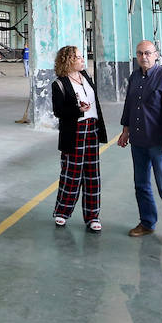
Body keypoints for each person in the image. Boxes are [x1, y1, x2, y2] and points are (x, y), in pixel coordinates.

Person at [116, 40, 162, 244]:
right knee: (141, 184)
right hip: (138, 140)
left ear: (156, 55)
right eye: (139, 53)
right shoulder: (135, 76)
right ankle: (147, 222)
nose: (143, 57)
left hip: (158, 141)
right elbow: (130, 105)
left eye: (147, 53)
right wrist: (126, 131)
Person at [50, 45, 108, 232]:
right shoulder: (59, 84)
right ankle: (62, 212)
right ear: (69, 61)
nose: (83, 60)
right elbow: (58, 111)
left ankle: (93, 216)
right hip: (74, 130)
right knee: (71, 173)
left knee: (92, 174)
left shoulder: (86, 78)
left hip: (92, 128)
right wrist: (77, 110)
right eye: (79, 57)